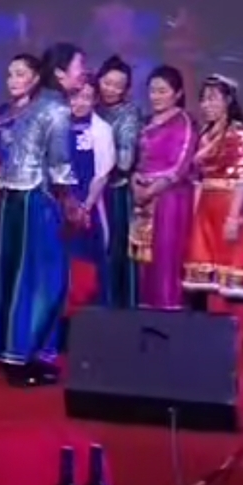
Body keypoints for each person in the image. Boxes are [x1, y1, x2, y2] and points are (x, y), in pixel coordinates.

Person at [0, 45, 85, 387]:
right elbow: (59, 166)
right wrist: (71, 205)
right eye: (79, 66)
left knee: (10, 276)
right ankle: (24, 357)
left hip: (9, 197)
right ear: (60, 73)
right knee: (42, 280)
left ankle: (5, 351)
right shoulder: (57, 108)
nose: (83, 73)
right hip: (34, 199)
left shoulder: (28, 106)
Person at [184, 74, 243, 313]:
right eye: (204, 99)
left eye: (213, 99)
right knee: (206, 274)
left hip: (228, 208)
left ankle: (234, 330)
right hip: (206, 209)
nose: (207, 105)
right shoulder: (205, 135)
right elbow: (199, 180)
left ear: (228, 101)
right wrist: (195, 216)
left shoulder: (239, 135)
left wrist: (233, 218)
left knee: (230, 273)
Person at [130, 64, 196, 310]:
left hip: (170, 200)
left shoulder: (183, 122)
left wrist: (151, 190)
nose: (155, 96)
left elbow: (180, 165)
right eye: (152, 91)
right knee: (144, 262)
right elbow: (137, 160)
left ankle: (169, 311)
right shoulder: (146, 122)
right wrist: (136, 183)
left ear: (177, 94)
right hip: (143, 202)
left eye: (162, 91)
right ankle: (146, 313)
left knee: (167, 257)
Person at [66, 74, 115, 311]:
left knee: (85, 265)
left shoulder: (101, 130)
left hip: (88, 209)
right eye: (75, 96)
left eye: (87, 97)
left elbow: (102, 173)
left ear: (95, 100)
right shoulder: (57, 124)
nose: (80, 103)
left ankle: (86, 319)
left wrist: (85, 206)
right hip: (59, 204)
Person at [96, 54, 140, 308]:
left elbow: (125, 160)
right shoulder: (88, 104)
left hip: (113, 192)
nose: (110, 89)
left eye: (118, 86)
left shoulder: (129, 114)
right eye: (107, 82)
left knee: (113, 250)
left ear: (126, 89)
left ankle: (115, 309)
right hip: (83, 191)